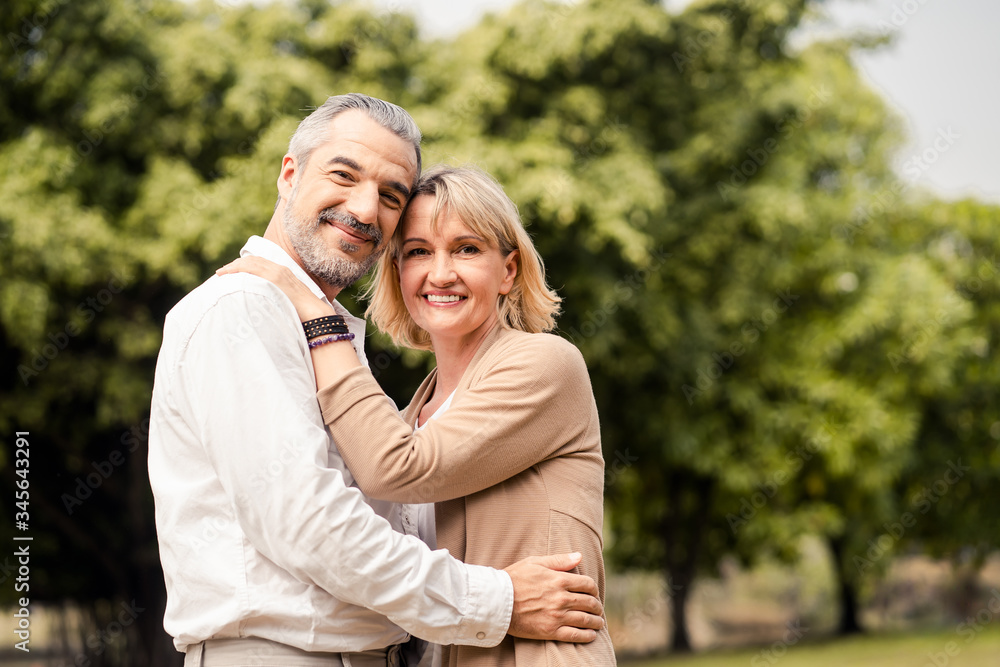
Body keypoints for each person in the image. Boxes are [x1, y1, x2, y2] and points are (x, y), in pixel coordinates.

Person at [148, 94, 605, 667]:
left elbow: (394, 496)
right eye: (344, 174)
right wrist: (499, 600)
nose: (365, 210)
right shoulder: (245, 309)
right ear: (289, 175)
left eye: (391, 196)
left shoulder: (334, 342)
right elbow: (312, 527)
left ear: (508, 268)